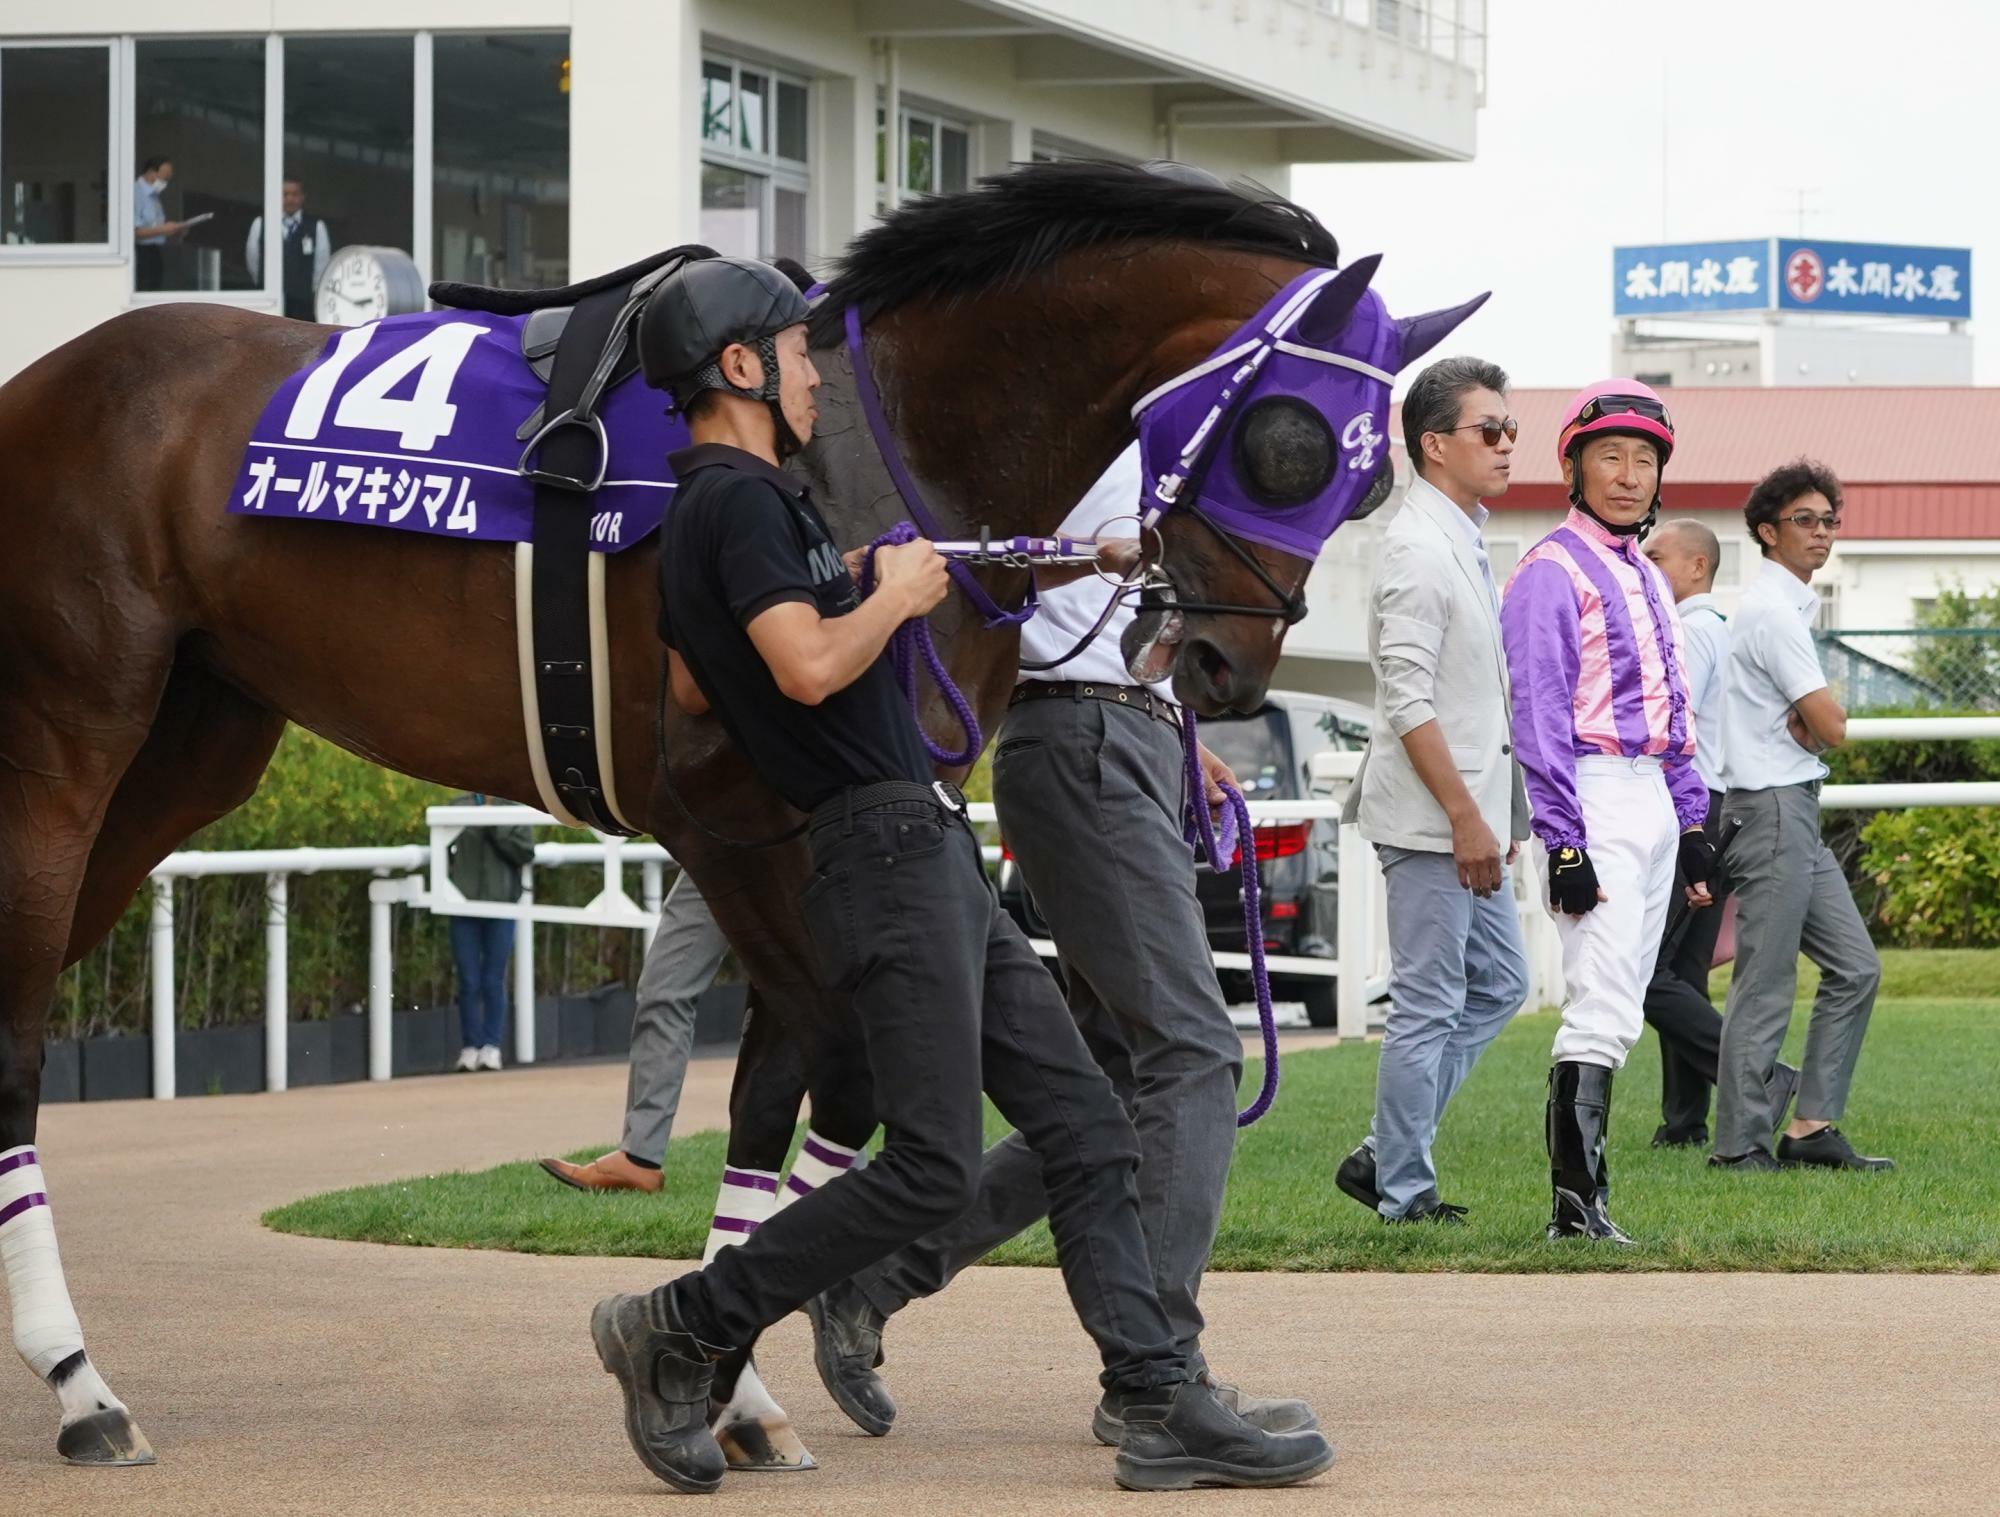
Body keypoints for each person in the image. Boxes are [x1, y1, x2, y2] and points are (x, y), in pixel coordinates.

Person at [587, 254, 1333, 1494]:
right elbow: (812, 666)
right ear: (738, 369)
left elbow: (687, 685)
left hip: (913, 839)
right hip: (880, 845)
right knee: (932, 1161)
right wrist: (886, 597)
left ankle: (1155, 1398)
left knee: (1090, 1121)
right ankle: (678, 1325)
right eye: (794, 353)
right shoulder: (744, 501)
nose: (815, 380)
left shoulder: (718, 513)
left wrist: (979, 580)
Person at [804, 441, 1314, 1449]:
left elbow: (1117, 624)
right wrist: (1101, 573)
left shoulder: (1157, 433)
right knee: (1192, 1050)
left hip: (1118, 733)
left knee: (1109, 1093)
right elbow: (987, 572)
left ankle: (872, 1275)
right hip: (1074, 737)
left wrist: (1170, 726)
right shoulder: (1080, 421)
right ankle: (1159, 1375)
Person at [1499, 379, 1715, 1244]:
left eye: (1643, 460)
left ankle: (1583, 1203)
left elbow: (1677, 710)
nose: (1627, 476)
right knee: (1603, 997)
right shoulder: (1548, 571)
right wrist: (1561, 840)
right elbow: (1539, 713)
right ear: (1574, 467)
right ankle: (1574, 1208)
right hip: (1587, 792)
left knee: (1622, 999)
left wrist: (1692, 823)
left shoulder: (1647, 575)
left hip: (1653, 797)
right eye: (1610, 458)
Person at [1331, 357, 1531, 1225]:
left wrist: (1492, 814)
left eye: (1511, 430)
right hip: (1429, 820)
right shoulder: (1415, 547)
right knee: (1428, 1001)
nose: (1507, 444)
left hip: (1470, 814)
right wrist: (1463, 817)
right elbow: (1406, 697)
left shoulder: (1462, 532)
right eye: (1491, 431)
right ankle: (1404, 1191)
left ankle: (1385, 1151)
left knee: (1498, 985)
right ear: (1433, 444)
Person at [1709, 460, 1891, 1173]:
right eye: (1804, 521)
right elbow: (1834, 724)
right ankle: (1739, 1145)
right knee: (1766, 979)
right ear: (1766, 530)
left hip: (1796, 808)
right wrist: (1815, 721)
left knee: (1856, 966)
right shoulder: (1770, 612)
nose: (1821, 533)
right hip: (1773, 809)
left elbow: (1816, 724)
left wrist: (1811, 722)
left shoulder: (1789, 611)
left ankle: (1810, 1128)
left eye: (1828, 521)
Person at [1640, 520, 1799, 1148]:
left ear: (1698, 566)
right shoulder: (1722, 632)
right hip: (1721, 805)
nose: (1645, 563)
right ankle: (1683, 1123)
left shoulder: (1689, 633)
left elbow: (1673, 731)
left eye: (1657, 555)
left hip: (1693, 809)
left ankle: (1760, 1079)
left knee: (1647, 977)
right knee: (1681, 970)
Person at [539, 870, 728, 1192]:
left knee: (668, 991)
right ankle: (640, 1157)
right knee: (665, 991)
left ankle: (641, 1156)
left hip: (745, 844)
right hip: (728, 843)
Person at [444, 792, 535, 1072]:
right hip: (463, 904)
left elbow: (525, 852)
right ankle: (470, 1046)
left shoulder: (515, 808)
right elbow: (443, 850)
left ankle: (491, 1045)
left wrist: (495, 828)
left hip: (502, 904)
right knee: (468, 980)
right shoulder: (457, 807)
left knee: (493, 978)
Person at [245, 178, 332, 321]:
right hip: (269, 305)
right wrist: (264, 284)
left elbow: (321, 266)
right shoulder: (261, 223)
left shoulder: (316, 226)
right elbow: (253, 260)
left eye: (294, 194)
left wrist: (308, 292)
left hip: (303, 306)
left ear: (303, 197)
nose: (290, 199)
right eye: (284, 194)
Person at [133, 156, 186, 293]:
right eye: (164, 177)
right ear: (152, 172)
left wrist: (174, 230)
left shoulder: (154, 196)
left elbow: (156, 228)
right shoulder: (135, 193)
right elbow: (134, 232)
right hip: (140, 253)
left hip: (155, 251)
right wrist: (163, 229)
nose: (165, 182)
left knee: (155, 290)